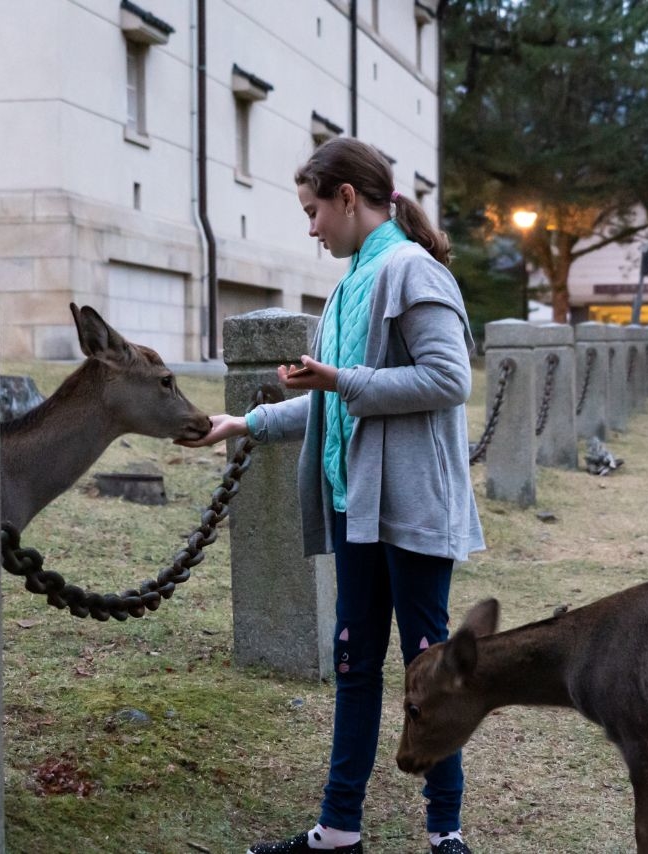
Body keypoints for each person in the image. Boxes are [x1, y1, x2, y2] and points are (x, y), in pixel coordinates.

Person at [176, 137, 484, 854]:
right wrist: (243, 423)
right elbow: (332, 405)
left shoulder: (411, 272)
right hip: (357, 510)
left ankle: (446, 833)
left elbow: (450, 381)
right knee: (354, 664)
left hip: (411, 510)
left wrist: (341, 381)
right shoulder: (349, 285)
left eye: (314, 211)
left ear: (349, 198)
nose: (310, 228)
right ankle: (338, 831)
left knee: (429, 672)